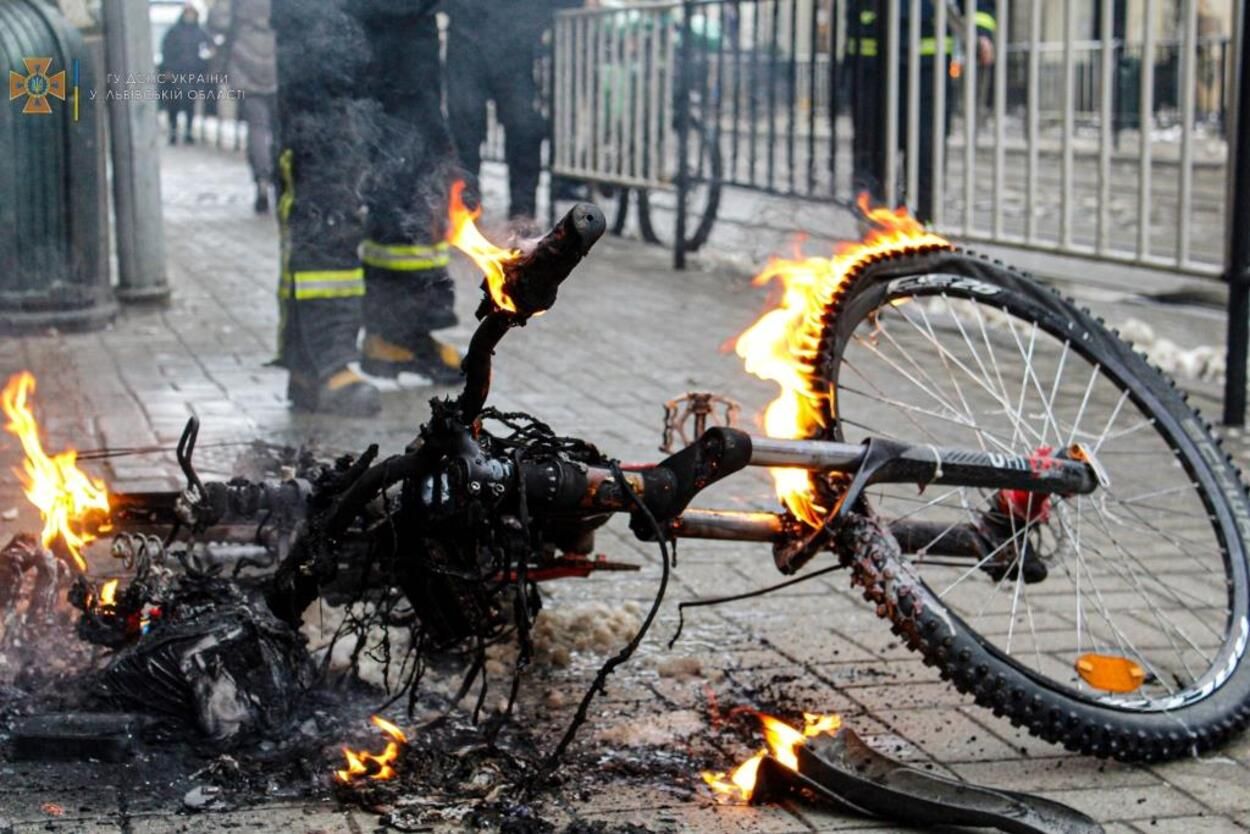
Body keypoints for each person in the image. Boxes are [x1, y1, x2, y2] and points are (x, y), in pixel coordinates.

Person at [271, 0, 461, 416]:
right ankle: (317, 360)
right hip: (324, 24)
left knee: (411, 183)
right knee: (327, 188)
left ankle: (399, 335)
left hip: (405, 28)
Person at [847, 0, 996, 223]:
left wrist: (981, 32)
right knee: (874, 152)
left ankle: (922, 230)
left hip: (928, 67)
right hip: (873, 63)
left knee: (927, 153)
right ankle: (874, 230)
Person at [444, 0, 572, 224]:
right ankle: (465, 208)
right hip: (468, 37)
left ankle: (522, 213)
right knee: (464, 128)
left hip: (516, 44)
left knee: (524, 128)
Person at [208, 0, 278, 214]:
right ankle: (283, 179)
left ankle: (262, 181)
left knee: (256, 127)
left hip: (244, 57)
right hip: (278, 55)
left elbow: (217, 21)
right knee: (281, 127)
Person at [161, 3, 212, 146]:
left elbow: (209, 46)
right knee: (173, 105)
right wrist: (168, 70)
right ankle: (173, 132)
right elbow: (166, 51)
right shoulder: (174, 32)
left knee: (189, 104)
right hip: (175, 73)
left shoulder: (200, 32)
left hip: (192, 74)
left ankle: (188, 132)